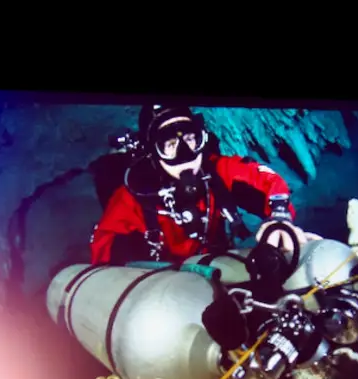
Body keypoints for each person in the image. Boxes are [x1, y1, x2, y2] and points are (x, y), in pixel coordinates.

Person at [91, 104, 317, 265]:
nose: (185, 154)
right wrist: (133, 256)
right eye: (169, 144)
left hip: (212, 264)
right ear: (153, 154)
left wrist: (280, 218)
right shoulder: (134, 196)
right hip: (163, 280)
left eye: (190, 139)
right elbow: (103, 244)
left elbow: (267, 181)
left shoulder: (217, 171)